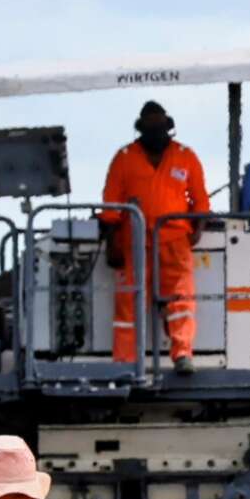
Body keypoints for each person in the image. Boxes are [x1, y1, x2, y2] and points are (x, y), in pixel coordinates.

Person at [101, 101, 212, 370]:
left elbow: (200, 200)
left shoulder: (186, 156)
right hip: (134, 242)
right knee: (129, 303)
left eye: (159, 127)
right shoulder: (124, 158)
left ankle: (182, 353)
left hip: (175, 241)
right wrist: (111, 242)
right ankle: (125, 362)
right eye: (150, 128)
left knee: (181, 299)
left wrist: (197, 230)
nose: (155, 132)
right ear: (140, 130)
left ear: (168, 128)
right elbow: (111, 205)